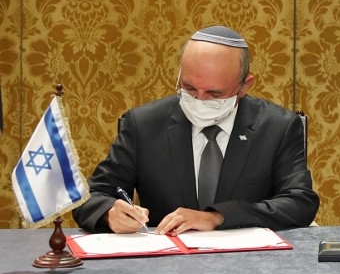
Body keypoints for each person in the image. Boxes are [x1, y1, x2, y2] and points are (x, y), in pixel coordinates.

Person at [73, 26, 319, 234]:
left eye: (214, 93)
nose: (199, 100)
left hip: (251, 265)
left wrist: (217, 217)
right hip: (165, 265)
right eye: (189, 88)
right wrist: (109, 213)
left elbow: (299, 202)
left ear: (244, 86)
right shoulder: (144, 124)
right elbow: (93, 195)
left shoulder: (277, 127)